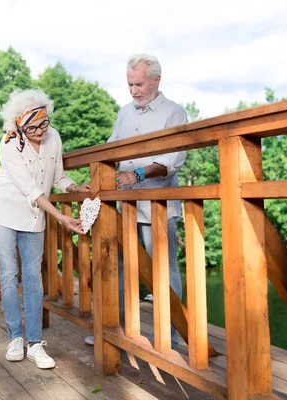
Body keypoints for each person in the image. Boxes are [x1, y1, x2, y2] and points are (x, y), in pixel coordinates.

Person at [85, 54, 187, 349]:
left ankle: (170, 337)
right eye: (130, 84)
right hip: (124, 205)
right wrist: (92, 176)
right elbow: (111, 147)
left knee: (164, 269)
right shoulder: (124, 112)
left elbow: (173, 160)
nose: (133, 90)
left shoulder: (174, 112)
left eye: (139, 84)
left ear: (156, 80)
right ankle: (114, 329)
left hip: (157, 204)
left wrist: (137, 173)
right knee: (116, 264)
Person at [0, 89, 90, 370]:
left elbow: (57, 176)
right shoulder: (9, 144)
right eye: (31, 127)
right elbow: (31, 190)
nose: (39, 131)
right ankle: (15, 338)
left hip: (34, 218)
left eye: (43, 123)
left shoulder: (53, 136)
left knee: (33, 276)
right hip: (5, 213)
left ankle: (34, 343)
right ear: (19, 124)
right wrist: (61, 217)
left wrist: (74, 187)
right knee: (9, 275)